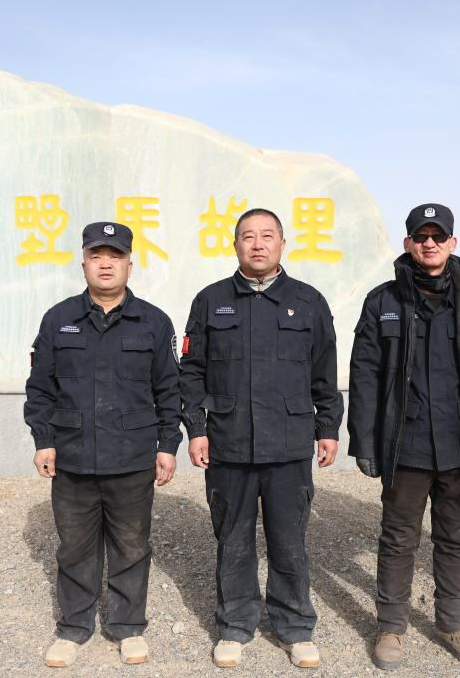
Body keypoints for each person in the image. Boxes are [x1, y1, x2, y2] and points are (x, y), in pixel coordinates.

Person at [347, 203, 460, 669]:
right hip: (406, 446)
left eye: (437, 236)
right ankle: (390, 628)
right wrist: (363, 441)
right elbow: (364, 375)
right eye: (420, 236)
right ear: (407, 244)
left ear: (452, 243)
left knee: (454, 538)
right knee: (398, 538)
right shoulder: (383, 301)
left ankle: (453, 623)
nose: (429, 243)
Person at [178, 208, 343, 669]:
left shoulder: (308, 301)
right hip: (228, 444)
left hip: (289, 444)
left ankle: (294, 627)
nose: (257, 244)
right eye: (247, 236)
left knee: (289, 539)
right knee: (232, 538)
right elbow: (190, 372)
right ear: (234, 245)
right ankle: (235, 625)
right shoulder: (211, 301)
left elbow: (324, 373)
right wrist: (197, 430)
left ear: (282, 245)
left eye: (267, 236)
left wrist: (328, 428)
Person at [24, 221, 182, 668]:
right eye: (97, 255)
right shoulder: (59, 319)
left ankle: (127, 627)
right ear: (84, 263)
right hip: (72, 458)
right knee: (74, 546)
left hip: (132, 458)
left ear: (130, 264)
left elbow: (169, 391)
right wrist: (44, 440)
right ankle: (74, 628)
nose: (106, 263)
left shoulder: (153, 321)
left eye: (115, 256)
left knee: (132, 545)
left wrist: (167, 445)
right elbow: (40, 388)